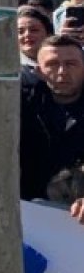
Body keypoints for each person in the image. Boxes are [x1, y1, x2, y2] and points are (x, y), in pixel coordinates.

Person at [21, 35, 84, 200]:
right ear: (39, 71)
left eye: (71, 64)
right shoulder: (21, 104)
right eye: (53, 64)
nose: (62, 72)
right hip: (28, 205)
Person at [17, 6, 52, 90]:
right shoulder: (13, 68)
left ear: (48, 34)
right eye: (20, 32)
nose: (27, 35)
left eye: (34, 30)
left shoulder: (62, 60)